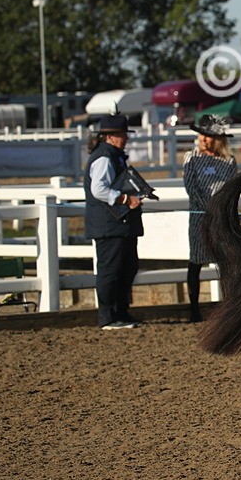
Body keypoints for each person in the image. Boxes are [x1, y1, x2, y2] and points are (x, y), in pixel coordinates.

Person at [84, 114, 144, 330]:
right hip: (109, 223)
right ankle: (108, 315)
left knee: (128, 268)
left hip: (120, 223)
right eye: (122, 135)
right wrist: (125, 199)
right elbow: (98, 189)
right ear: (109, 137)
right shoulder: (104, 158)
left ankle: (121, 311)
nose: (125, 139)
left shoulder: (114, 155)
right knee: (111, 270)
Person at [183, 114, 238, 323]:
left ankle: (227, 307)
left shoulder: (229, 161)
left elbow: (232, 189)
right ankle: (194, 309)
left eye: (209, 136)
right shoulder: (192, 157)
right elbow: (191, 187)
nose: (204, 140)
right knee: (196, 261)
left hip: (221, 217)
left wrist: (223, 211)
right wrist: (209, 209)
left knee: (226, 262)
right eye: (202, 136)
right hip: (199, 216)